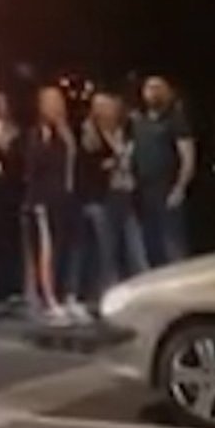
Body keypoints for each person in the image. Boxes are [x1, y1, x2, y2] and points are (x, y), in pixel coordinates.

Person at [78, 90, 148, 304]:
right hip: (104, 198)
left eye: (108, 106)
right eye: (99, 107)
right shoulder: (91, 135)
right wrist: (106, 165)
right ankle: (108, 297)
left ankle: (145, 293)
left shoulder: (126, 131)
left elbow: (135, 161)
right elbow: (85, 170)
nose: (105, 111)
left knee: (135, 248)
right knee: (106, 252)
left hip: (126, 195)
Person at [23, 86, 80, 326]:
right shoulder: (36, 134)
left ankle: (67, 295)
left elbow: (72, 166)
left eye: (58, 101)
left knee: (66, 248)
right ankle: (48, 300)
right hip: (42, 201)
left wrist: (66, 136)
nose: (55, 106)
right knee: (46, 251)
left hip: (65, 200)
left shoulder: (65, 134)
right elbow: (32, 169)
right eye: (49, 102)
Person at [131, 76, 195, 267]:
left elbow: (188, 157)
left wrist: (180, 188)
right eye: (149, 87)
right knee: (152, 244)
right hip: (144, 190)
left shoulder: (175, 120)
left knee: (173, 244)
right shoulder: (138, 122)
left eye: (158, 87)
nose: (153, 92)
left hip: (167, 187)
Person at [0, 90, 25, 305]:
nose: (0, 107)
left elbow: (20, 162)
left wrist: (6, 152)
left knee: (13, 239)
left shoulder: (18, 131)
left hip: (13, 189)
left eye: (3, 103)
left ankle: (13, 284)